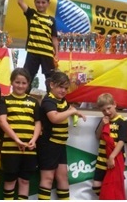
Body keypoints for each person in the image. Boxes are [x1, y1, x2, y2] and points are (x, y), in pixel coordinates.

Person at [37, 71, 86, 200]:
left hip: (60, 145)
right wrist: (72, 112)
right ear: (51, 85)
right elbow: (54, 118)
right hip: (48, 144)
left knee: (63, 176)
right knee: (47, 178)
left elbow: (68, 109)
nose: (63, 90)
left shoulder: (62, 100)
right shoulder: (48, 100)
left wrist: (76, 112)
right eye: (60, 87)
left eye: (65, 88)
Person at [0, 68, 41, 200]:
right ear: (11, 82)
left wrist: (33, 139)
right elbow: (1, 121)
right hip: (10, 149)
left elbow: (38, 123)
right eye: (17, 82)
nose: (20, 86)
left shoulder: (33, 102)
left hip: (29, 149)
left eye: (24, 83)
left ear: (28, 84)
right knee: (10, 180)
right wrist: (16, 139)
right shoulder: (4, 100)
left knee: (24, 181)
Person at [17, 0, 59, 93]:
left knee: (50, 79)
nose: (40, 5)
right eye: (38, 2)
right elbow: (20, 2)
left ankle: (50, 101)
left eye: (43, 2)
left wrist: (57, 53)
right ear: (35, 2)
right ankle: (24, 98)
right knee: (27, 76)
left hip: (47, 53)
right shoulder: (31, 14)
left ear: (48, 3)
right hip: (33, 52)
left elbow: (54, 38)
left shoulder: (51, 20)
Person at [89, 93, 127, 199]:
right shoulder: (104, 120)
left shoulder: (122, 121)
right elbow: (97, 135)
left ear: (114, 104)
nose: (107, 112)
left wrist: (112, 157)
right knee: (96, 185)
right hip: (102, 159)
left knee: (113, 186)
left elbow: (121, 141)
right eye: (103, 110)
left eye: (109, 108)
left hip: (115, 159)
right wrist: (102, 124)